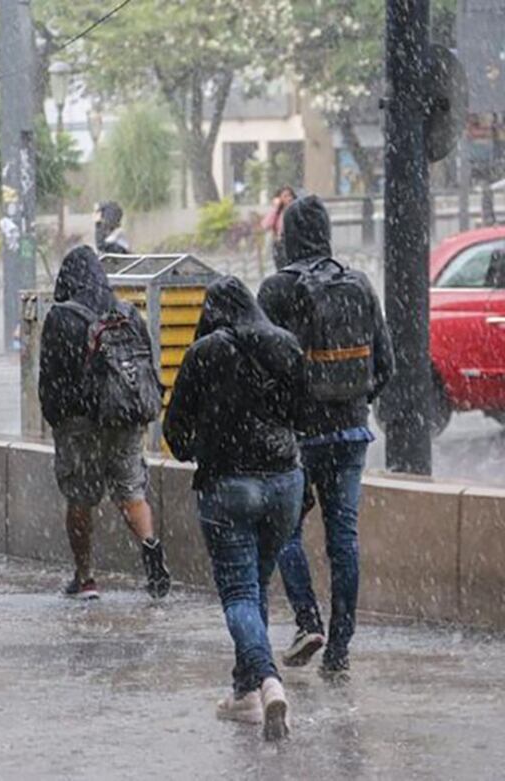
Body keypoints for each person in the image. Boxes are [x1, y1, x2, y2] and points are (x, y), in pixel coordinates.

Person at [163, 275, 306, 741]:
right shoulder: (284, 345)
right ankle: (245, 690)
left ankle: (266, 681)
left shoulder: (205, 351)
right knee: (257, 586)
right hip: (284, 483)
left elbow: (175, 428)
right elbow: (304, 415)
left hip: (228, 485)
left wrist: (198, 449)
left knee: (240, 594)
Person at [258, 195, 394, 678]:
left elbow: (260, 367)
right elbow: (386, 366)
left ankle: (307, 621)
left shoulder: (276, 289)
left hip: (298, 437)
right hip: (353, 431)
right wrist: (354, 402)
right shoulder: (357, 283)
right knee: (344, 539)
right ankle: (340, 648)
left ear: (290, 236)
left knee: (285, 533)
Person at [38, 245, 170, 601]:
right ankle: (151, 551)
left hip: (80, 425)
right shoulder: (126, 311)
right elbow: (145, 368)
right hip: (125, 419)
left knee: (81, 499)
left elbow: (50, 378)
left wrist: (58, 418)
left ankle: (85, 578)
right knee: (131, 491)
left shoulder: (61, 317)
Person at [260, 186, 296, 270]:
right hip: (280, 246)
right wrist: (276, 207)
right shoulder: (278, 213)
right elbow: (266, 225)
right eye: (285, 196)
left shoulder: (297, 211)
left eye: (290, 195)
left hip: (294, 245)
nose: (289, 199)